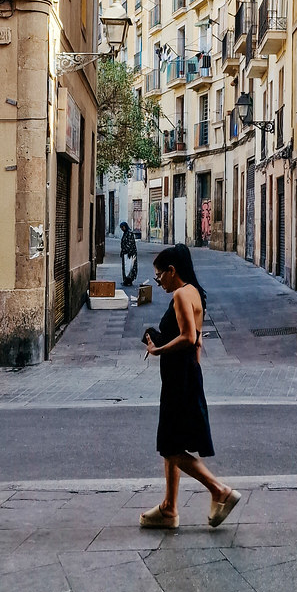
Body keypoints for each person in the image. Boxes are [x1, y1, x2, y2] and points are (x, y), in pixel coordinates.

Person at [140, 244, 240, 530]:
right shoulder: (195, 292)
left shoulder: (183, 294)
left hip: (179, 378)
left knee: (170, 448)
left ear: (173, 271)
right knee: (172, 443)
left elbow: (188, 337)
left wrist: (158, 351)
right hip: (185, 374)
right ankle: (170, 508)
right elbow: (197, 343)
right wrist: (192, 370)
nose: (159, 282)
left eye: (160, 276)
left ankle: (219, 491)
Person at [119, 221, 138, 286]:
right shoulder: (125, 233)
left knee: (130, 267)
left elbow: (130, 243)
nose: (122, 229)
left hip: (130, 253)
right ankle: (126, 280)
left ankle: (129, 280)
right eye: (121, 228)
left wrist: (128, 251)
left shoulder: (129, 233)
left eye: (123, 227)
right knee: (126, 267)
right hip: (126, 253)